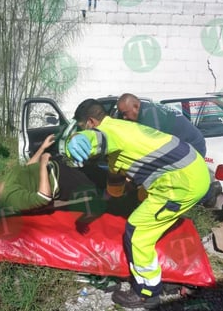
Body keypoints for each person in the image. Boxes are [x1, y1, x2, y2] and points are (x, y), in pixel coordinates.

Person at [66, 99, 210, 310]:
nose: (82, 129)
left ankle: (147, 292)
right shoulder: (122, 126)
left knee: (137, 230)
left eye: (82, 126)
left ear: (90, 122)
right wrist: (105, 201)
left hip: (183, 184)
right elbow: (115, 180)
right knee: (142, 197)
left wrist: (76, 141)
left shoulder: (107, 133)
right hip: (191, 169)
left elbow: (96, 138)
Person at [116, 93, 206, 157]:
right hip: (187, 146)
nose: (124, 117)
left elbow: (152, 147)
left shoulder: (150, 114)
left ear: (136, 106)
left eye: (125, 113)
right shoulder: (148, 109)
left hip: (194, 148)